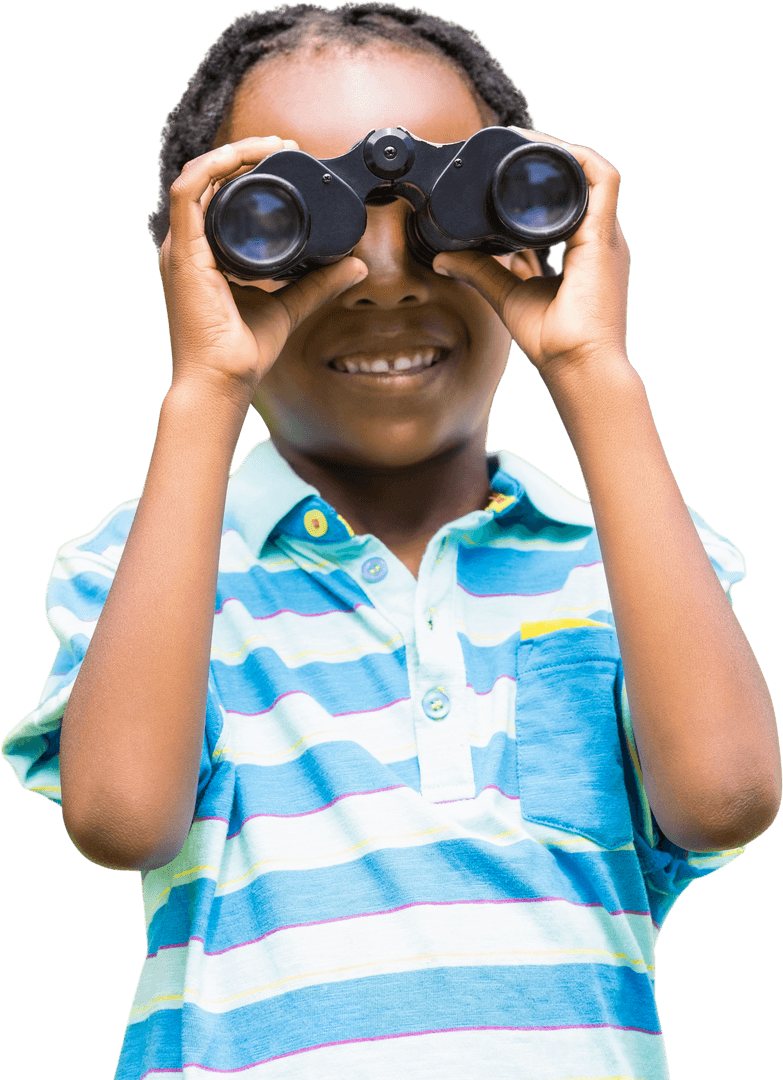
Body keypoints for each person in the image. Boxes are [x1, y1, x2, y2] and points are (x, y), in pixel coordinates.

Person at [3, 3, 780, 1078]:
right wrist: (204, 386)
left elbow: (723, 800)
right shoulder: (155, 565)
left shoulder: (631, 560)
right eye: (290, 220)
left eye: (437, 217)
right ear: (194, 257)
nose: (382, 272)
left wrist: (594, 367)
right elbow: (123, 819)